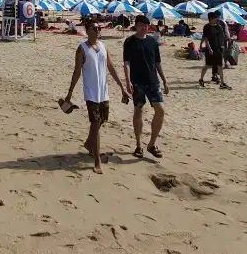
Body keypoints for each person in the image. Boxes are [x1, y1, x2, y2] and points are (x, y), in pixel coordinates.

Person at [62, 19, 129, 173]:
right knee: (96, 123)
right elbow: (77, 71)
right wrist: (69, 93)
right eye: (95, 28)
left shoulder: (103, 47)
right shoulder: (82, 49)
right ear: (87, 30)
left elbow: (110, 67)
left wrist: (122, 88)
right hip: (91, 94)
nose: (98, 30)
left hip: (103, 92)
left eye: (99, 28)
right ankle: (97, 160)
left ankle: (88, 143)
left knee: (102, 120)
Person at [122, 14, 169, 160]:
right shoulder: (129, 42)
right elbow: (127, 63)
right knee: (138, 111)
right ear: (136, 25)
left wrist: (165, 80)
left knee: (160, 111)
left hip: (153, 82)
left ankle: (151, 144)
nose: (144, 28)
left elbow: (157, 63)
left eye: (146, 26)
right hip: (137, 83)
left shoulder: (152, 42)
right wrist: (127, 81)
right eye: (141, 25)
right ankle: (138, 145)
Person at [199, 14, 228, 89]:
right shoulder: (207, 27)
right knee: (208, 65)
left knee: (219, 66)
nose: (217, 20)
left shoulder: (219, 27)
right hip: (210, 49)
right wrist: (209, 48)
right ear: (211, 19)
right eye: (216, 18)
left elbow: (221, 37)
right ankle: (201, 79)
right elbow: (206, 38)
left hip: (218, 49)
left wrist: (222, 45)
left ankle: (222, 83)